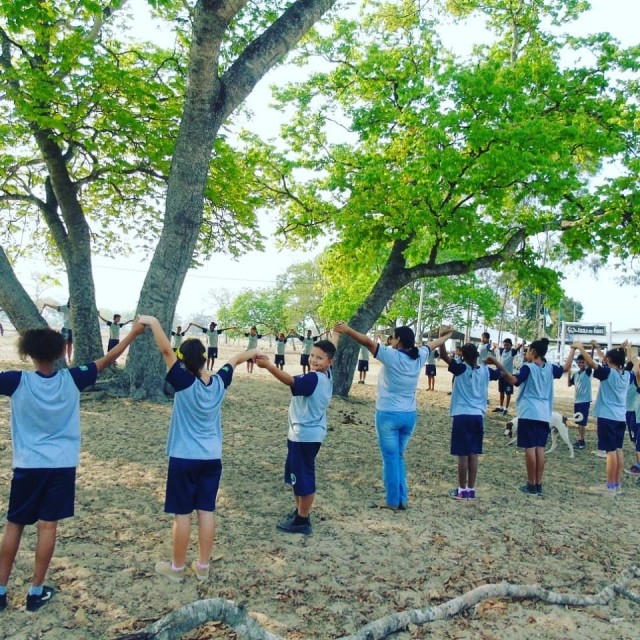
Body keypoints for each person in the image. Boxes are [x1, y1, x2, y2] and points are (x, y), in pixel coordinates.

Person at [0, 321, 145, 612]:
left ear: (28, 353)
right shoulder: (72, 378)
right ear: (58, 353)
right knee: (47, 526)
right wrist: (133, 333)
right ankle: (35, 592)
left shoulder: (15, 381)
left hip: (28, 466)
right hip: (61, 465)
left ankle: (1, 591)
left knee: (14, 525)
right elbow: (108, 358)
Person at [138, 315, 259, 582]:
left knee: (182, 515)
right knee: (206, 511)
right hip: (211, 458)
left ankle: (177, 569)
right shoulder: (219, 383)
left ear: (183, 361)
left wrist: (153, 322)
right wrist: (255, 353)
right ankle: (203, 566)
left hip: (184, 458)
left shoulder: (183, 382)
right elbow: (235, 360)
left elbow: (166, 350)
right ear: (205, 358)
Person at [333, 321, 453, 510]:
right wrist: (447, 335)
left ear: (399, 341)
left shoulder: (391, 355)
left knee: (390, 458)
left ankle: (392, 501)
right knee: (398, 456)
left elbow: (367, 341)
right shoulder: (419, 355)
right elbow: (434, 344)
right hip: (409, 416)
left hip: (388, 415)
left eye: (394, 338)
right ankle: (401, 498)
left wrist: (347, 330)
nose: (391, 340)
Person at [255, 337, 337, 535]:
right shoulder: (327, 375)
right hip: (306, 433)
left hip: (305, 435)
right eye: (312, 355)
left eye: (319, 358)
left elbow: (290, 381)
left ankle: (302, 520)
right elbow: (332, 347)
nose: (314, 360)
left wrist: (269, 366)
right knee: (296, 475)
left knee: (303, 476)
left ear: (329, 362)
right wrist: (337, 333)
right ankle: (300, 511)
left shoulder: (314, 378)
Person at [500, 338, 573, 496]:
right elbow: (566, 368)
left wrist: (501, 369)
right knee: (540, 448)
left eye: (528, 351)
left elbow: (514, 380)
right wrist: (573, 350)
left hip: (529, 412)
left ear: (533, 352)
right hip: (544, 413)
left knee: (530, 448)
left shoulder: (528, 368)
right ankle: (538, 483)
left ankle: (531, 483)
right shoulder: (550, 368)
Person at [440, 343, 505, 500]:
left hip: (462, 414)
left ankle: (461, 489)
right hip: (478, 415)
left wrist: (443, 339)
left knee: (462, 454)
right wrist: (495, 361)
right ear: (477, 355)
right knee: (473, 453)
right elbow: (502, 373)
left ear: (463, 355)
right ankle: (471, 488)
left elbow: (443, 356)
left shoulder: (461, 368)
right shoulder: (485, 371)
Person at [573, 341, 631, 496]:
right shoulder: (627, 375)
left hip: (607, 416)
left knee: (610, 451)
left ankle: (610, 486)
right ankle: (617, 484)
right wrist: (620, 350)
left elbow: (592, 364)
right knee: (618, 450)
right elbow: (611, 361)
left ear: (609, 360)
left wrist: (581, 348)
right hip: (620, 417)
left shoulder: (607, 373)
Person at [493, 338, 524, 416]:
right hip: (501, 375)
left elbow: (516, 349)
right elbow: (497, 348)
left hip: (509, 376)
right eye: (505, 345)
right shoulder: (502, 351)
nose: (506, 346)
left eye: (508, 345)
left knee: (508, 392)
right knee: (501, 391)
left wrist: (522, 344)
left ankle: (506, 408)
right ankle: (501, 406)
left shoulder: (512, 352)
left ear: (511, 345)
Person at [568, 353, 593, 450]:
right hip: (577, 401)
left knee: (582, 422)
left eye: (583, 362)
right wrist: (569, 372)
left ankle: (582, 440)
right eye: (579, 362)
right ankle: (579, 439)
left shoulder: (587, 372)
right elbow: (569, 384)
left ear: (586, 363)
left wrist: (592, 349)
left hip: (585, 401)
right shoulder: (576, 374)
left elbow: (590, 362)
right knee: (579, 421)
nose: (581, 364)